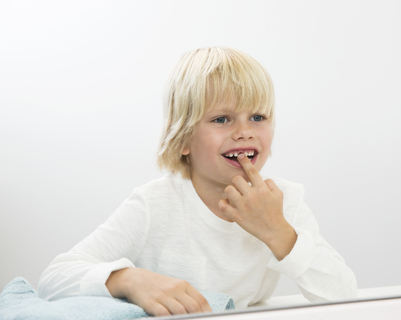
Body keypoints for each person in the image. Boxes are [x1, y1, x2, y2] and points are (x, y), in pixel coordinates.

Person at [38, 47, 357, 316]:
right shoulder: (154, 204)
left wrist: (280, 233)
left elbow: (343, 295)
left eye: (258, 117)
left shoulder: (283, 201)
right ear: (182, 139)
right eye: (222, 119)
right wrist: (129, 280)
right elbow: (54, 278)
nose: (245, 131)